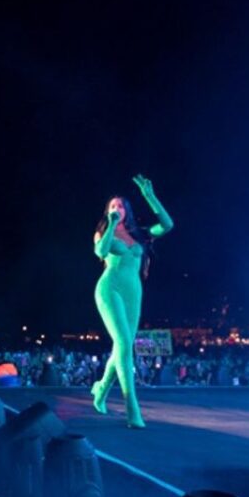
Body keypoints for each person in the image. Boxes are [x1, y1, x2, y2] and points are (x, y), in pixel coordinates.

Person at [91, 175, 174, 428]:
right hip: (109, 289)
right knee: (124, 342)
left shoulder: (141, 235)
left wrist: (150, 196)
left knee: (123, 347)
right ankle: (132, 410)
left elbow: (168, 225)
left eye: (121, 206)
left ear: (128, 210)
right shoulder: (101, 233)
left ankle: (101, 390)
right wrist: (111, 224)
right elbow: (101, 252)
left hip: (133, 294)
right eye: (113, 206)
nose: (117, 209)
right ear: (108, 211)